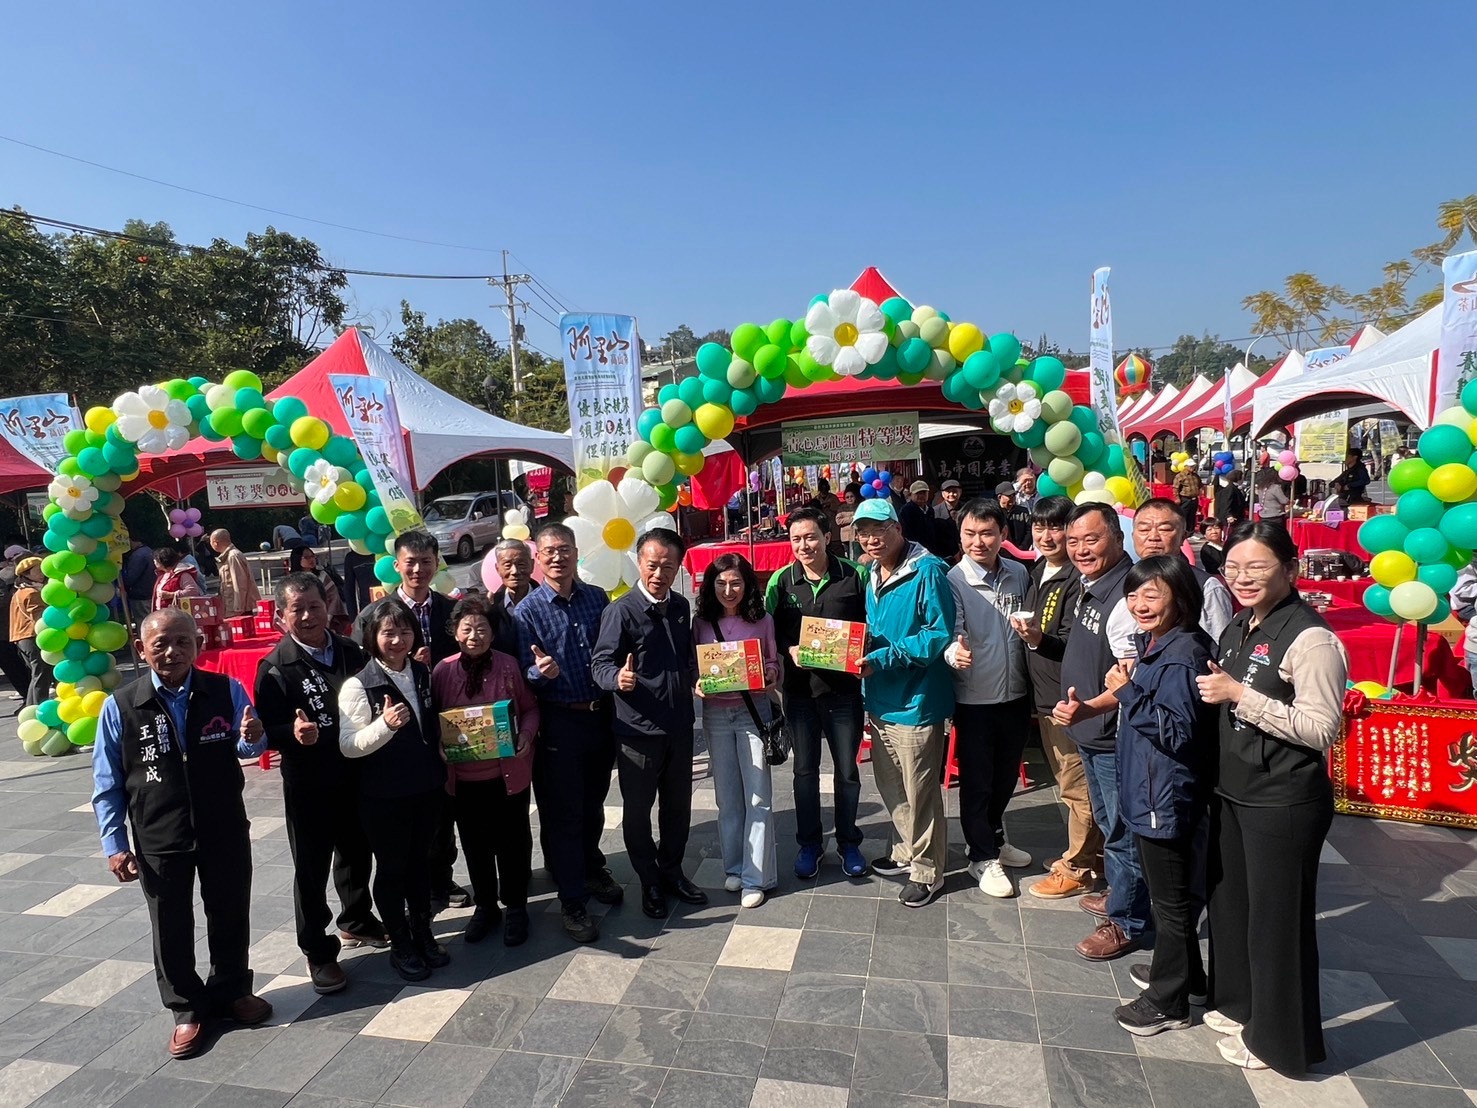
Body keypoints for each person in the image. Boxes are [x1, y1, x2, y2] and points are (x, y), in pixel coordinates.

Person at [1195, 522, 1348, 1074]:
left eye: (1257, 567)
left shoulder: (1312, 639)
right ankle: (1239, 1004)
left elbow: (1321, 728)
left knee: (1277, 923)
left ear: (1290, 569)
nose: (1243, 578)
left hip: (1283, 800)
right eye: (1233, 568)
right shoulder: (1241, 624)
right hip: (1234, 790)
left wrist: (1240, 695)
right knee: (1233, 907)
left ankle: (1279, 1041)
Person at [90, 609, 270, 1058]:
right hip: (159, 833)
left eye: (183, 642)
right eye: (161, 644)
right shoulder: (121, 706)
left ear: (198, 645)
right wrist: (115, 844)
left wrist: (253, 736)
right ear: (141, 649)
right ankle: (187, 1007)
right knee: (169, 923)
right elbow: (107, 784)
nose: (172, 652)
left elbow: (245, 744)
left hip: (223, 825)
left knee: (230, 911)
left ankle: (232, 990)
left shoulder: (225, 690)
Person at [1104, 556, 1218, 1036]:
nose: (1139, 604)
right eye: (1133, 595)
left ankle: (1168, 1003)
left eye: (1152, 594)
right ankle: (1189, 978)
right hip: (1154, 790)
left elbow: (1177, 732)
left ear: (1180, 596)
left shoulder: (1180, 655)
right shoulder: (1163, 644)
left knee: (1171, 905)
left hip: (1164, 797)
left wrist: (1127, 692)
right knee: (1171, 899)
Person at [254, 572, 381, 996]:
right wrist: (292, 734)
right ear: (281, 616)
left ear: (328, 606)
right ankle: (317, 951)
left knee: (356, 850)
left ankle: (356, 919)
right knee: (311, 867)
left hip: (354, 772)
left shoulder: (350, 651)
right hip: (309, 782)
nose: (308, 616)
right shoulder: (275, 667)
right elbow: (266, 729)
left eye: (315, 606)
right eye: (298, 609)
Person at [514, 521, 624, 944]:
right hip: (558, 721)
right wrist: (538, 672)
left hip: (599, 716)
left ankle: (592, 867)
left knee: (594, 803)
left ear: (577, 553)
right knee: (565, 812)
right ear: (537, 559)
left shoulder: (597, 598)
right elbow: (521, 674)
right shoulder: (526, 611)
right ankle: (572, 900)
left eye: (565, 549)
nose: (558, 557)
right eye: (550, 551)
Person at [1050, 502, 1148, 960]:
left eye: (1091, 539)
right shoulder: (1090, 584)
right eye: (1073, 541)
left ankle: (1127, 922)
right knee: (1111, 824)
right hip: (1091, 732)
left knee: (1123, 831)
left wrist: (1089, 708)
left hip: (1112, 736)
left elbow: (1132, 676)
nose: (1080, 549)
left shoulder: (1126, 596)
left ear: (1116, 537)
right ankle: (1120, 895)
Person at [591, 528, 705, 919]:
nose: (659, 573)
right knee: (638, 812)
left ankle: (672, 871)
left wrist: (696, 678)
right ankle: (649, 880)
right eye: (652, 564)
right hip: (637, 731)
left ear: (678, 568)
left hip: (679, 726)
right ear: (639, 562)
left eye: (668, 567)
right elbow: (600, 663)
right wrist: (616, 678)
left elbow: (685, 658)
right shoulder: (620, 611)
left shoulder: (680, 606)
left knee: (678, 807)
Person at [851, 497, 956, 907]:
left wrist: (882, 658)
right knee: (891, 785)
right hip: (879, 698)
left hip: (916, 701)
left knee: (920, 791)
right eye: (863, 533)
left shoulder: (928, 570)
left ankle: (928, 870)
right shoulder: (871, 572)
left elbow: (937, 634)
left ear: (898, 528)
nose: (871, 539)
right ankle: (906, 850)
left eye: (879, 529)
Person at [338, 599, 448, 982]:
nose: (398, 640)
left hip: (425, 787)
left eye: (404, 631)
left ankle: (422, 933)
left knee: (420, 863)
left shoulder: (420, 672)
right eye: (388, 633)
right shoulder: (358, 685)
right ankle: (400, 942)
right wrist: (384, 725)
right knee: (393, 868)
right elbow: (349, 746)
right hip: (384, 796)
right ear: (372, 637)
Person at [356, 531, 467, 912]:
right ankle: (405, 897)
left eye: (426, 562)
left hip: (442, 723)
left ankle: (441, 880)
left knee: (441, 814)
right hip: (393, 728)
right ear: (396, 565)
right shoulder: (375, 614)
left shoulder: (450, 610)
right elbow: (362, 668)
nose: (418, 569)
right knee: (402, 827)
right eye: (410, 562)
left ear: (436, 564)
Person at [765, 507, 869, 880]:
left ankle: (848, 842)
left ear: (827, 537)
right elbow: (766, 629)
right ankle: (809, 844)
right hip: (799, 695)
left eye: (810, 537)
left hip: (843, 692)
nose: (804, 545)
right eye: (796, 539)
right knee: (804, 772)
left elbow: (873, 622)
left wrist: (862, 650)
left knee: (847, 772)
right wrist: (787, 650)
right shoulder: (781, 581)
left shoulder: (855, 575)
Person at [433, 595, 539, 946]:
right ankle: (486, 906)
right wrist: (440, 744)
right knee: (475, 845)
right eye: (467, 628)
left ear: (493, 633)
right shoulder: (443, 671)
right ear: (455, 632)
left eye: (482, 628)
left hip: (507, 777)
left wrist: (526, 735)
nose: (474, 635)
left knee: (513, 843)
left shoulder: (509, 666)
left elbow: (530, 708)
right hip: (464, 781)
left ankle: (517, 906)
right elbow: (434, 720)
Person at [1012, 497, 1104, 900]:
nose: (1047, 536)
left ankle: (1078, 866)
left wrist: (1036, 639)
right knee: (1074, 782)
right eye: (1039, 526)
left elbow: (1070, 642)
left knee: (1075, 785)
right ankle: (1092, 856)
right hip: (1045, 695)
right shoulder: (1037, 571)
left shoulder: (1076, 578)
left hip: (1066, 700)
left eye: (1056, 527)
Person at [944, 500, 1032, 898]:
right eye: (970, 533)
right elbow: (952, 631)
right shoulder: (954, 580)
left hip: (1016, 691)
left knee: (1007, 774)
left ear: (1003, 535)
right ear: (960, 535)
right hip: (975, 696)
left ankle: (993, 836)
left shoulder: (1019, 573)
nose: (978, 541)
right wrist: (954, 653)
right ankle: (980, 855)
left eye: (987, 533)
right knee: (977, 780)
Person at [694, 553, 781, 907]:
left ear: (748, 585)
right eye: (720, 583)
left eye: (736, 583)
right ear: (710, 586)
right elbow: (694, 666)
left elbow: (773, 662)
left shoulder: (763, 620)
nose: (728, 590)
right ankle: (734, 866)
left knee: (758, 795)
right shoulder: (701, 623)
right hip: (716, 715)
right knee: (727, 797)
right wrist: (697, 684)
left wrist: (771, 673)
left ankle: (756, 877)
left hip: (752, 712)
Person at [1130, 498, 1233, 642]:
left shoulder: (1205, 587)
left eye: (1165, 529)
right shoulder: (1130, 580)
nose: (1153, 537)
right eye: (1144, 530)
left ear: (1183, 537)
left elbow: (1220, 644)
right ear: (1132, 535)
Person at [10, 556, 50, 705]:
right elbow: (39, 617)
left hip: (21, 638)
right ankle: (38, 708)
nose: (42, 573)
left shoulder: (19, 592)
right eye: (37, 570)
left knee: (36, 676)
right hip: (31, 636)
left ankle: (31, 707)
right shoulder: (31, 592)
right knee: (42, 675)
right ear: (26, 574)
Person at [488, 538, 534, 655]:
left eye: (521, 564)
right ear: (497, 569)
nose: (515, 571)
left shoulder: (548, 601)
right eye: (507, 565)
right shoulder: (491, 606)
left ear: (532, 565)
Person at [290, 545, 348, 633]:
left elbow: (333, 596)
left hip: (325, 616)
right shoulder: (291, 580)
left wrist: (328, 617)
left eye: (313, 556)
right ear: (297, 559)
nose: (311, 560)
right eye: (307, 557)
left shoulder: (322, 576)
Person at [209, 529, 261, 617]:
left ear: (215, 543)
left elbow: (240, 583)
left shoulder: (233, 556)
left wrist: (238, 607)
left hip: (238, 608)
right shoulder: (228, 556)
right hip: (231, 606)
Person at [120, 538, 156, 624]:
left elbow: (131, 576)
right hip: (150, 591)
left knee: (142, 620)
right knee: (150, 618)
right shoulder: (149, 551)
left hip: (140, 593)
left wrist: (124, 585)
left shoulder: (138, 555)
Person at [931, 479, 963, 560]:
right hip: (943, 555)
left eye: (954, 491)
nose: (951, 494)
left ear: (960, 492)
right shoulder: (934, 511)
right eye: (948, 492)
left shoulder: (967, 509)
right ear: (942, 494)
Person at [900, 480, 936, 549]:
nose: (921, 496)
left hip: (930, 547)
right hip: (914, 548)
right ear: (911, 495)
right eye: (918, 493)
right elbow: (905, 533)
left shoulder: (930, 510)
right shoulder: (906, 510)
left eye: (924, 493)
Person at [996, 482, 1032, 549]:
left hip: (1020, 550)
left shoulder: (1023, 512)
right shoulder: (994, 513)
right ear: (999, 497)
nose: (1012, 498)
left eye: (1013, 495)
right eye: (1009, 496)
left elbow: (1029, 531)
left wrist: (1022, 547)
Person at [1172, 462, 1202, 531]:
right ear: (1185, 466)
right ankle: (1182, 531)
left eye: (1193, 466)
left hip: (1194, 499)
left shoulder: (1195, 476)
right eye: (1190, 466)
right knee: (1183, 515)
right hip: (1185, 499)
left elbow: (1200, 485)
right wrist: (1177, 498)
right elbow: (1175, 488)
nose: (1192, 467)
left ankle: (1190, 532)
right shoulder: (1180, 476)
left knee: (1192, 516)